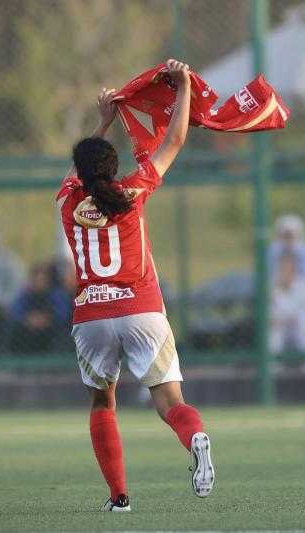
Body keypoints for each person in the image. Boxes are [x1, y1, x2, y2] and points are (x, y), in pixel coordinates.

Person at [56, 59, 214, 513]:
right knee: (170, 402)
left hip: (92, 315)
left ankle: (119, 498)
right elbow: (175, 140)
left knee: (103, 404)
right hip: (142, 310)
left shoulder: (67, 200)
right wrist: (183, 86)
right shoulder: (132, 191)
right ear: (115, 167)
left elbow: (83, 167)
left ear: (79, 171)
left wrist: (104, 119)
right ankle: (196, 437)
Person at [7, 263, 64, 354]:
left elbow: (62, 312)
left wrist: (47, 319)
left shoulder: (55, 294)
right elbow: (15, 310)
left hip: (50, 329)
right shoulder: (25, 294)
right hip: (28, 328)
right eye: (37, 279)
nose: (40, 283)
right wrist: (28, 319)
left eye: (43, 280)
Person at [269, 252, 305, 354]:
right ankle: (273, 369)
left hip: (298, 326)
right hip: (280, 326)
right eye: (282, 268)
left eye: (288, 267)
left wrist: (286, 320)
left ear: (295, 269)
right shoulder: (271, 287)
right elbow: (270, 314)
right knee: (273, 334)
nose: (285, 271)